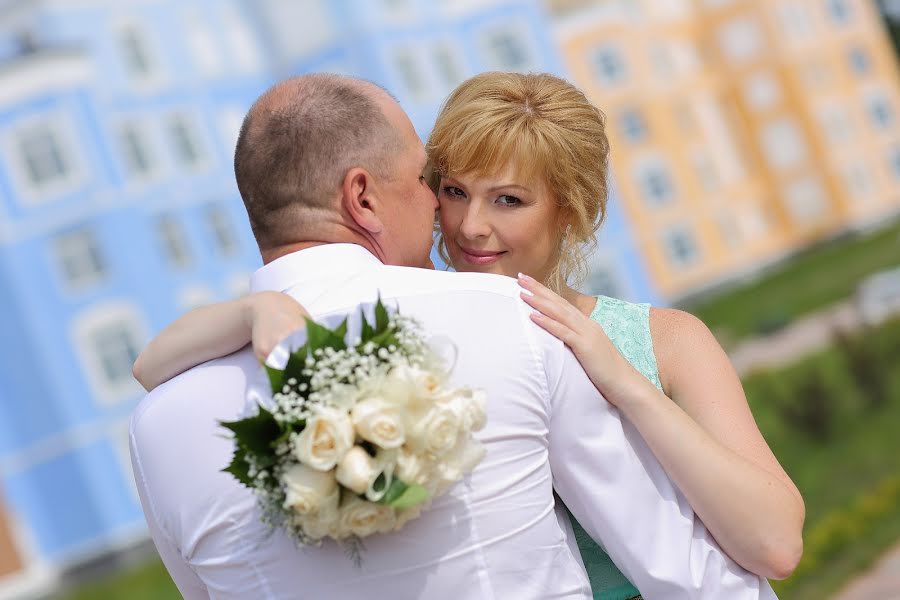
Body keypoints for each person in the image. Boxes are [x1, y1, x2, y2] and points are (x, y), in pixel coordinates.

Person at [130, 73, 779, 599]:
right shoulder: (504, 324)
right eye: (442, 187)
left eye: (509, 200)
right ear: (362, 196)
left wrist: (628, 385)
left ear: (570, 212)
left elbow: (768, 543)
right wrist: (250, 313)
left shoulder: (158, 425)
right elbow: (690, 577)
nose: (465, 224)